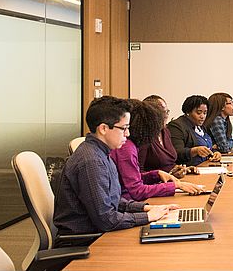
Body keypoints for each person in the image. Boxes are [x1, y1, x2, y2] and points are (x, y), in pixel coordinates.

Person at [53, 96, 176, 234]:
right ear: (104, 128)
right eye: (124, 128)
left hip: (98, 232)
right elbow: (106, 219)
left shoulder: (102, 153)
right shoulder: (92, 161)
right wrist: (148, 217)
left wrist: (146, 208)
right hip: (87, 239)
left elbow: (114, 200)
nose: (127, 133)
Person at [109, 99, 204, 200]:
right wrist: (176, 186)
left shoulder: (131, 145)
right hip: (130, 203)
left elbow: (134, 178)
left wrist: (156, 174)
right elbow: (136, 190)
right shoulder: (126, 148)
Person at [168, 95, 222, 166]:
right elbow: (176, 152)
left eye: (205, 113)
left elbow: (207, 147)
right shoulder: (176, 126)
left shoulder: (201, 126)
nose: (202, 116)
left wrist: (215, 153)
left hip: (205, 166)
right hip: (188, 169)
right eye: (199, 113)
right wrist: (194, 151)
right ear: (188, 112)